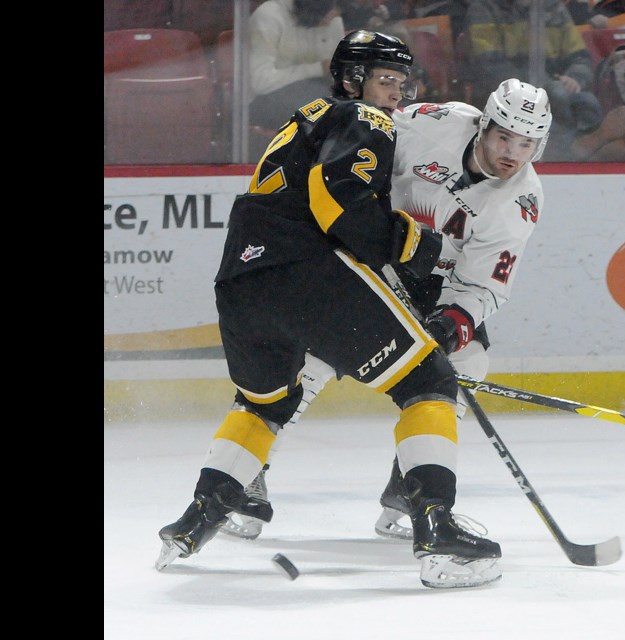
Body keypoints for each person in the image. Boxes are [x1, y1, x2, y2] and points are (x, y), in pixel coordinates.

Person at [157, 30, 504, 589]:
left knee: (267, 401)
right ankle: (438, 531)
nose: (395, 93)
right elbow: (337, 200)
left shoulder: (306, 116)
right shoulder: (365, 120)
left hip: (241, 280)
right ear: (351, 79)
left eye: (400, 82)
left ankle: (199, 516)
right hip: (305, 273)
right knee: (430, 382)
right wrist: (414, 247)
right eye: (384, 80)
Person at [221, 77, 554, 542]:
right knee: (310, 359)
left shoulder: (521, 201)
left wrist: (450, 323)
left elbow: (483, 285)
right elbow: (361, 143)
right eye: (504, 136)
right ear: (483, 125)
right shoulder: (435, 124)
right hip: (364, 256)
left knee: (466, 360)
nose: (512, 153)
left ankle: (412, 494)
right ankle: (246, 478)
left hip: (427, 284)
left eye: (527, 143)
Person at [463, 0, 625, 161]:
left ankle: (587, 146)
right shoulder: (484, 8)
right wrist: (544, 85)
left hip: (555, 87)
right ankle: (579, 151)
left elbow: (580, 57)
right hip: (506, 96)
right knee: (555, 99)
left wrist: (574, 78)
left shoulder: (553, 8)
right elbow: (488, 66)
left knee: (586, 101)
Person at [247, 0, 345, 136]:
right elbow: (260, 82)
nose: (331, 17)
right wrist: (319, 68)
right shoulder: (269, 16)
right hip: (266, 100)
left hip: (315, 95)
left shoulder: (331, 17)